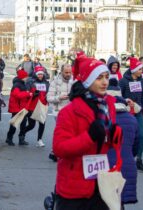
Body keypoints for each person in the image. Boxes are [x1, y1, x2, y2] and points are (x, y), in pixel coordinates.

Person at [53, 55, 121, 210]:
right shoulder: (69, 112)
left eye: (106, 77)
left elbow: (106, 145)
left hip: (102, 183)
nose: (104, 82)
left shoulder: (108, 106)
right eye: (99, 78)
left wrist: (115, 137)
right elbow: (59, 148)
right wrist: (89, 137)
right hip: (74, 187)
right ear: (88, 80)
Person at [106, 84, 139, 210]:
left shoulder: (103, 117)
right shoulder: (132, 119)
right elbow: (138, 143)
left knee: (105, 200)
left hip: (107, 165)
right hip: (127, 165)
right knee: (120, 202)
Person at [119, 57, 143, 172]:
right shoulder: (123, 81)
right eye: (140, 69)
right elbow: (119, 96)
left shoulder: (142, 81)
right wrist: (126, 102)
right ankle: (126, 158)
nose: (142, 71)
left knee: (141, 135)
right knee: (128, 137)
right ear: (134, 70)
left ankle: (138, 159)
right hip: (127, 113)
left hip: (138, 111)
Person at [47, 64, 73, 161]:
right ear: (61, 72)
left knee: (70, 133)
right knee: (61, 133)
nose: (68, 74)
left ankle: (62, 152)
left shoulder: (74, 81)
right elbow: (49, 98)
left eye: (70, 72)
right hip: (59, 112)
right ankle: (55, 151)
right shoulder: (55, 82)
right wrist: (59, 98)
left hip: (71, 112)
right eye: (66, 72)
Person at [21, 66, 49, 147]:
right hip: (32, 106)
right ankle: (22, 133)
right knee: (31, 125)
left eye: (41, 74)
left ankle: (39, 140)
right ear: (36, 74)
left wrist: (48, 98)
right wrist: (33, 95)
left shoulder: (46, 83)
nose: (40, 76)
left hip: (42, 105)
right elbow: (27, 93)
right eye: (39, 74)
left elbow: (48, 93)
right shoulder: (31, 82)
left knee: (42, 123)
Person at [5, 69, 32, 146]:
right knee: (14, 124)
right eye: (26, 76)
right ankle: (9, 138)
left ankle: (21, 139)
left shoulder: (22, 83)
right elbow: (17, 95)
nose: (27, 78)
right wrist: (27, 94)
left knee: (23, 124)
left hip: (22, 107)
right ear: (22, 77)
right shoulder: (16, 85)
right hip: (17, 108)